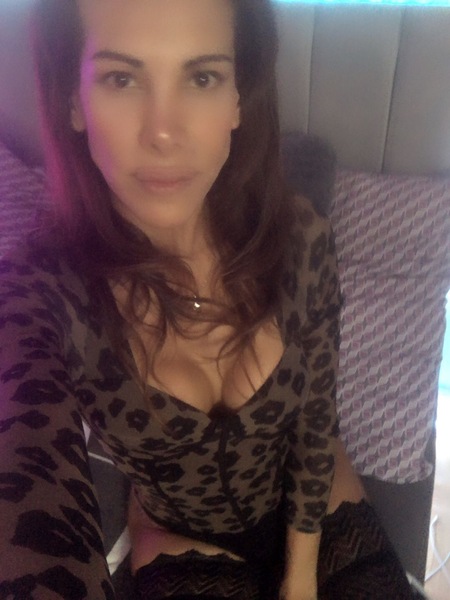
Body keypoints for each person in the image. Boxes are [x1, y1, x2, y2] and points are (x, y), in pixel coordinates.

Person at [0, 1, 414, 599]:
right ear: (73, 101)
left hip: (318, 498)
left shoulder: (300, 237)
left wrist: (301, 576)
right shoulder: (42, 290)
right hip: (178, 535)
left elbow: (317, 414)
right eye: (121, 78)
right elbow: (23, 474)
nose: (164, 133)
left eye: (201, 77)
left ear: (238, 98)